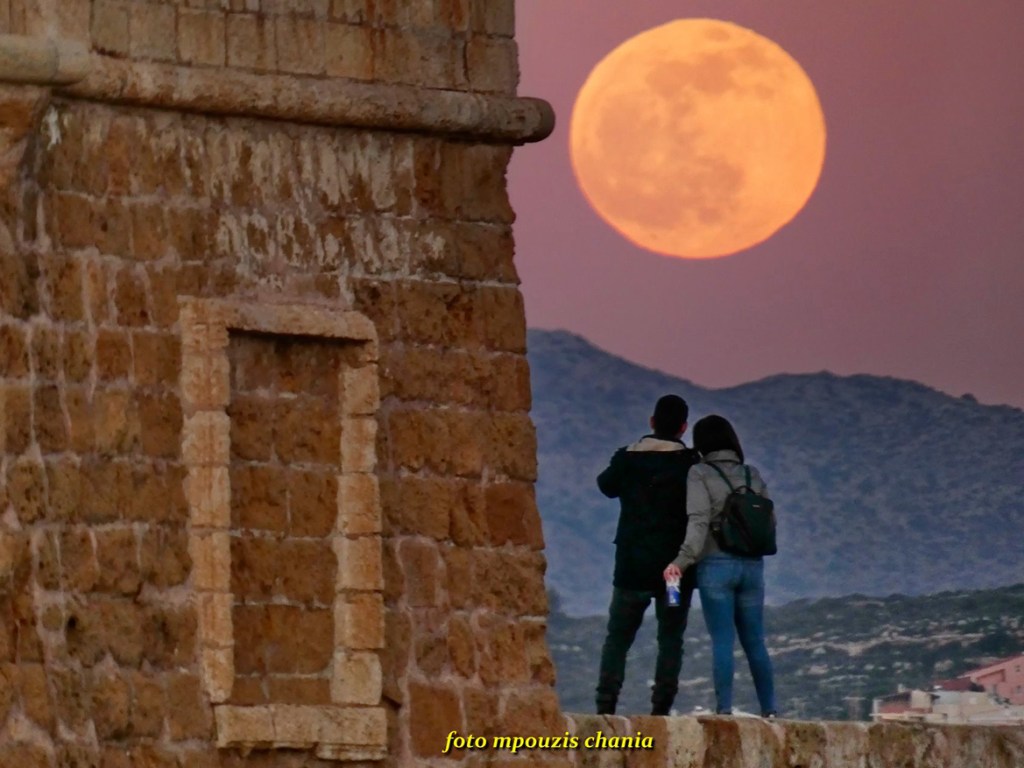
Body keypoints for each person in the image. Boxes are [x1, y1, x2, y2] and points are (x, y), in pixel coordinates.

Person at [663, 414, 777, 718]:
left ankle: (724, 709)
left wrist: (681, 561)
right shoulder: (752, 475)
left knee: (723, 641)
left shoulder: (699, 473)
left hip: (716, 566)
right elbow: (770, 520)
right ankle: (771, 709)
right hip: (753, 567)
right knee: (756, 641)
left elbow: (698, 521)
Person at [594, 394, 700, 716]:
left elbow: (606, 485)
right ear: (683, 427)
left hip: (632, 570)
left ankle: (606, 704)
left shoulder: (627, 458)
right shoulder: (691, 464)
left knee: (618, 638)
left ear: (651, 422)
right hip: (672, 574)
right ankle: (661, 708)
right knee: (669, 637)